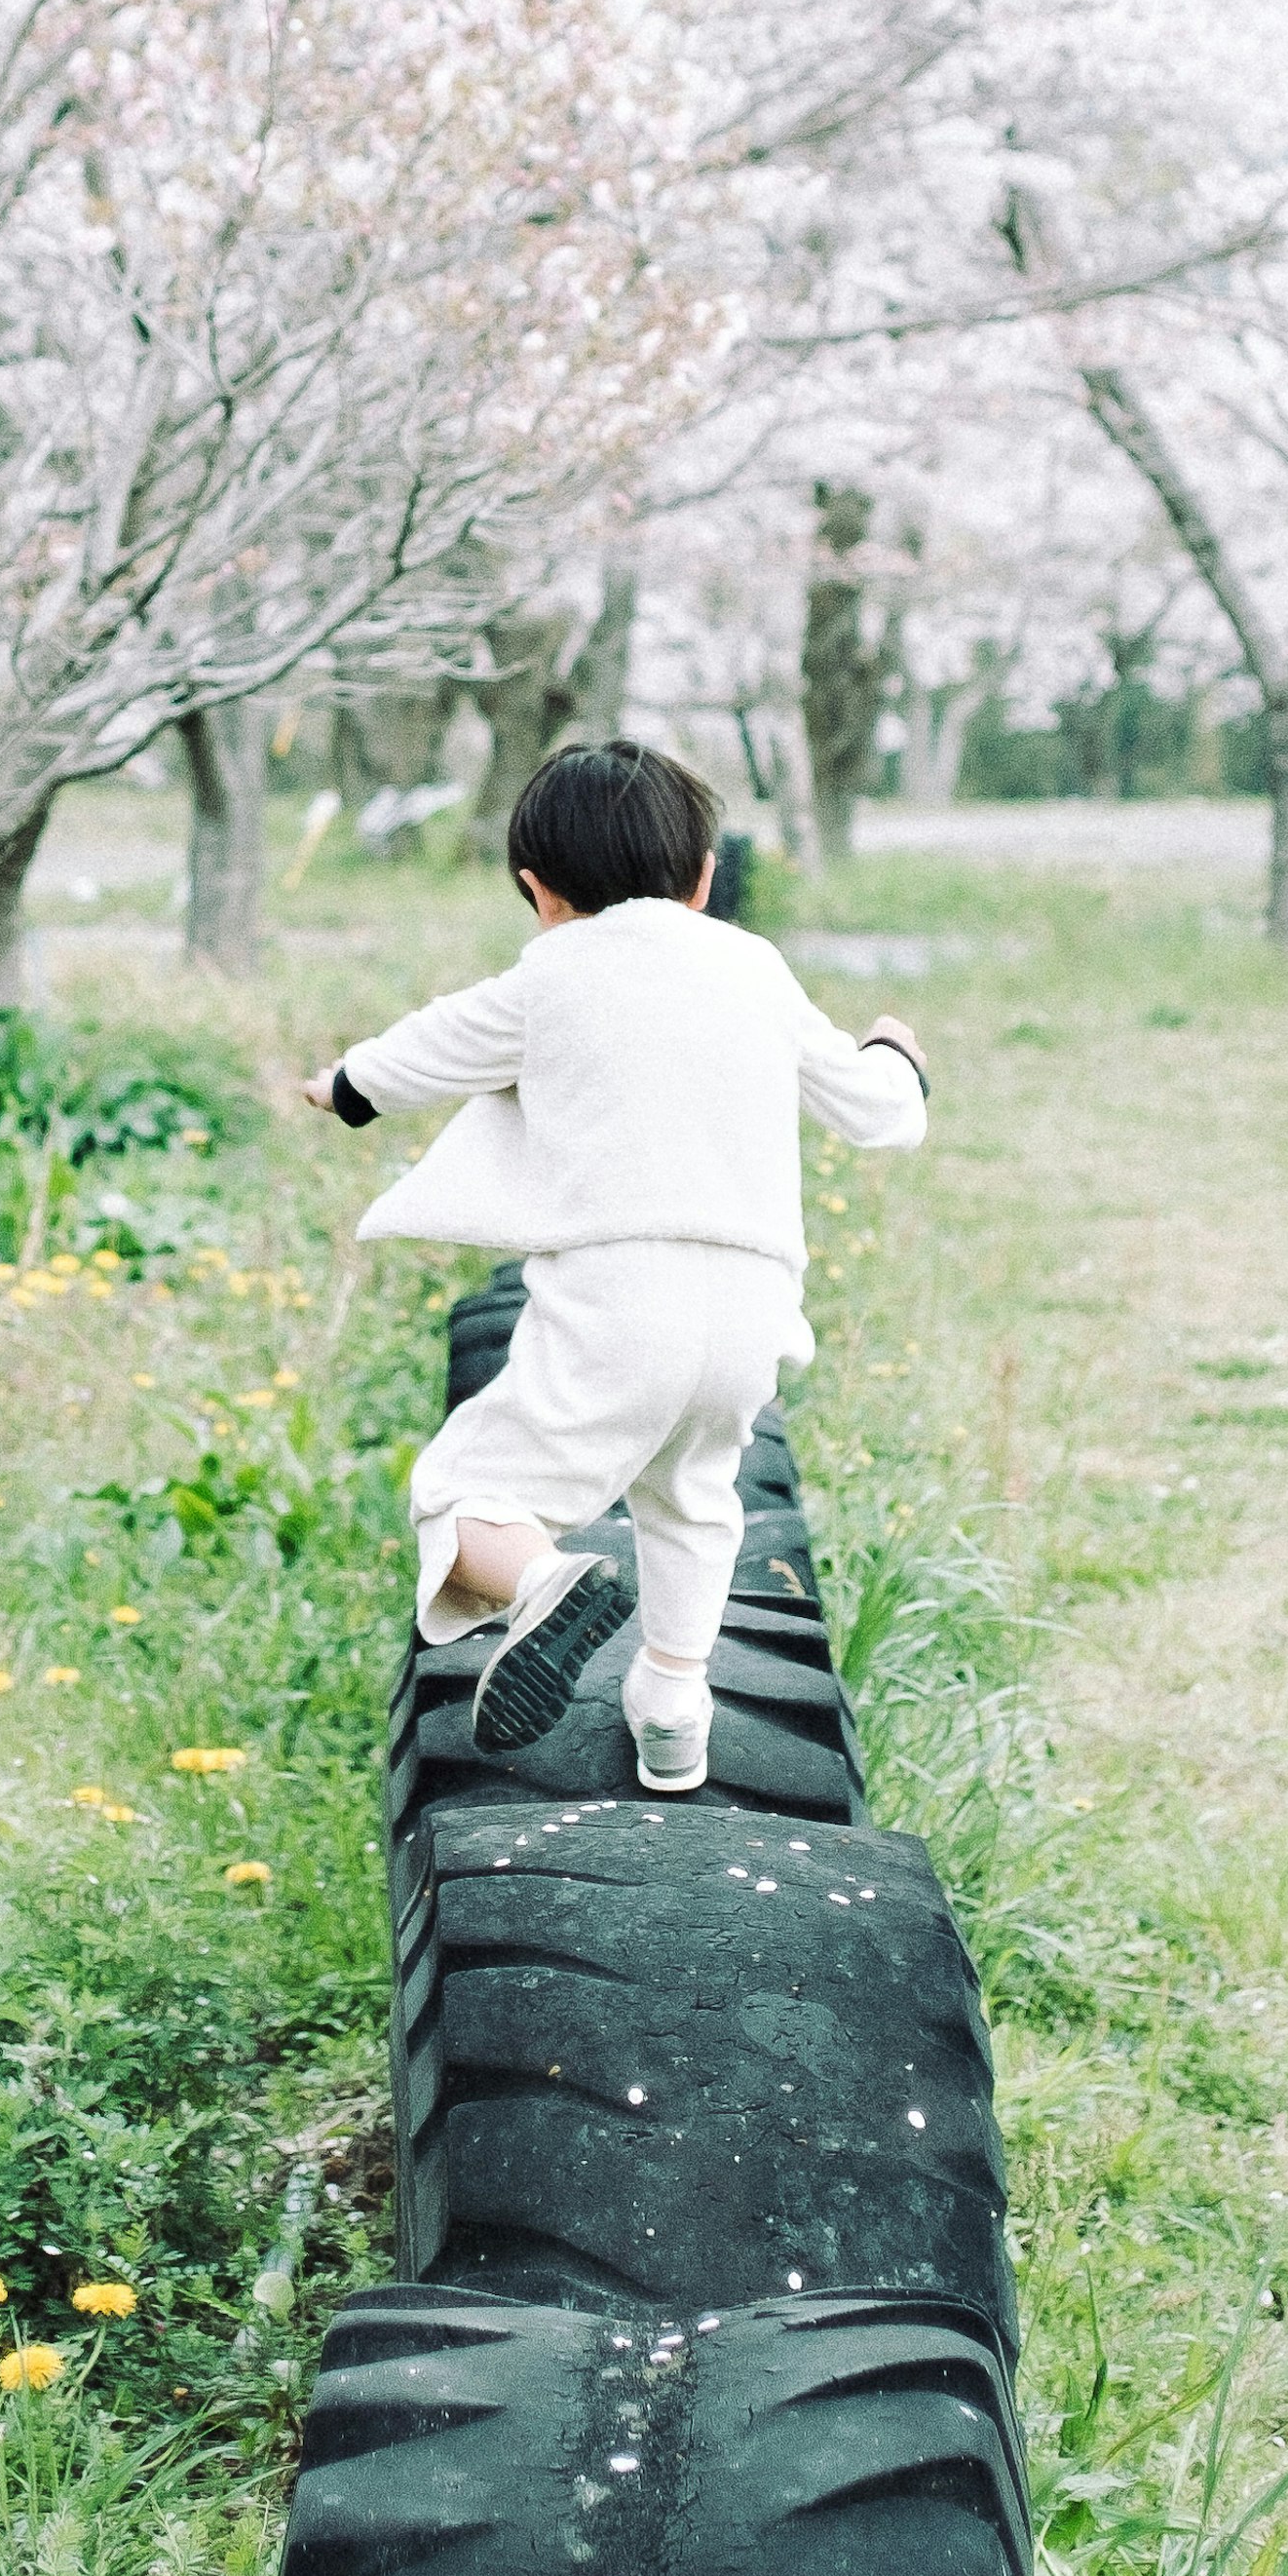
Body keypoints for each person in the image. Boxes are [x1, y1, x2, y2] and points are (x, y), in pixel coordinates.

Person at [302, 737, 929, 1794]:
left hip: (617, 1299)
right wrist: (896, 1051)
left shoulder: (552, 974)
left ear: (537, 892)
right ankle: (676, 1709)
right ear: (701, 880)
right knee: (692, 1496)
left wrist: (341, 1085)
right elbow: (877, 1111)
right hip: (752, 1310)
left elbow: (419, 1051)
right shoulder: (754, 967)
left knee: (464, 1492)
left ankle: (545, 1584)